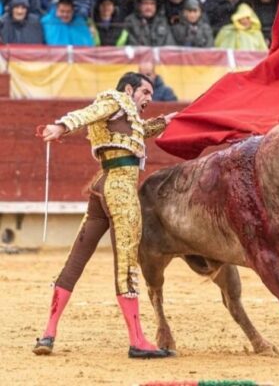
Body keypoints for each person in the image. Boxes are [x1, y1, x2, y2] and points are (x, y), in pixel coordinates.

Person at [33, 72, 177, 359]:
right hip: (120, 188)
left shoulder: (128, 116)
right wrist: (62, 126)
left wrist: (165, 122)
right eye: (145, 92)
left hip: (102, 184)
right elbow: (90, 112)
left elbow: (137, 130)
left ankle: (48, 334)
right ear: (128, 89)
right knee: (126, 263)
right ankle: (137, 340)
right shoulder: (115, 99)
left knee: (76, 259)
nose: (149, 98)